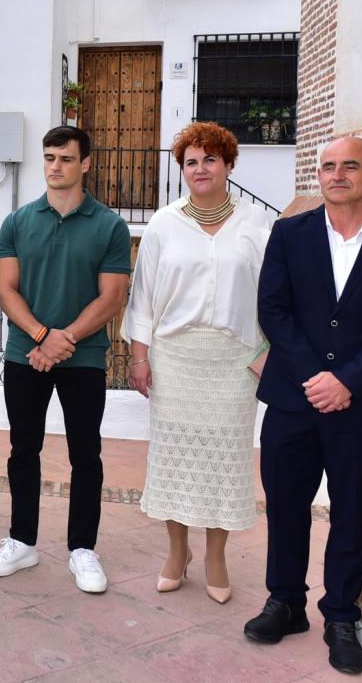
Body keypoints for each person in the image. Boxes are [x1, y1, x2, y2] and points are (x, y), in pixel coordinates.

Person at [243, 137, 362, 675]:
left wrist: (346, 380)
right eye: (328, 166)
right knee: (285, 506)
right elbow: (273, 310)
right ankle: (286, 602)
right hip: (293, 400)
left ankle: (341, 615)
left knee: (351, 513)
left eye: (351, 165)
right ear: (318, 176)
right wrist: (314, 377)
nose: (338, 174)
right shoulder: (289, 233)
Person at [123, 123, 274, 603]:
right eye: (191, 161)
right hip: (176, 357)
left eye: (211, 159)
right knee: (172, 460)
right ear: (182, 170)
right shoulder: (164, 225)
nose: (201, 168)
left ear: (229, 164)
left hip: (234, 361)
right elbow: (143, 295)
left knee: (226, 463)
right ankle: (176, 551)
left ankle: (215, 555)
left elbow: (277, 295)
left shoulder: (257, 225)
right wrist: (140, 356)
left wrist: (268, 352)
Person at [0, 125, 130, 593]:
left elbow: (112, 297)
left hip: (83, 358)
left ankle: (82, 549)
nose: (55, 166)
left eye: (65, 158)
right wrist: (43, 336)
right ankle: (22, 542)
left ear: (85, 163)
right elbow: (6, 288)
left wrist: (64, 339)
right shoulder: (18, 221)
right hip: (27, 355)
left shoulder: (109, 225)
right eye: (49, 157)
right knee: (23, 450)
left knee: (86, 454)